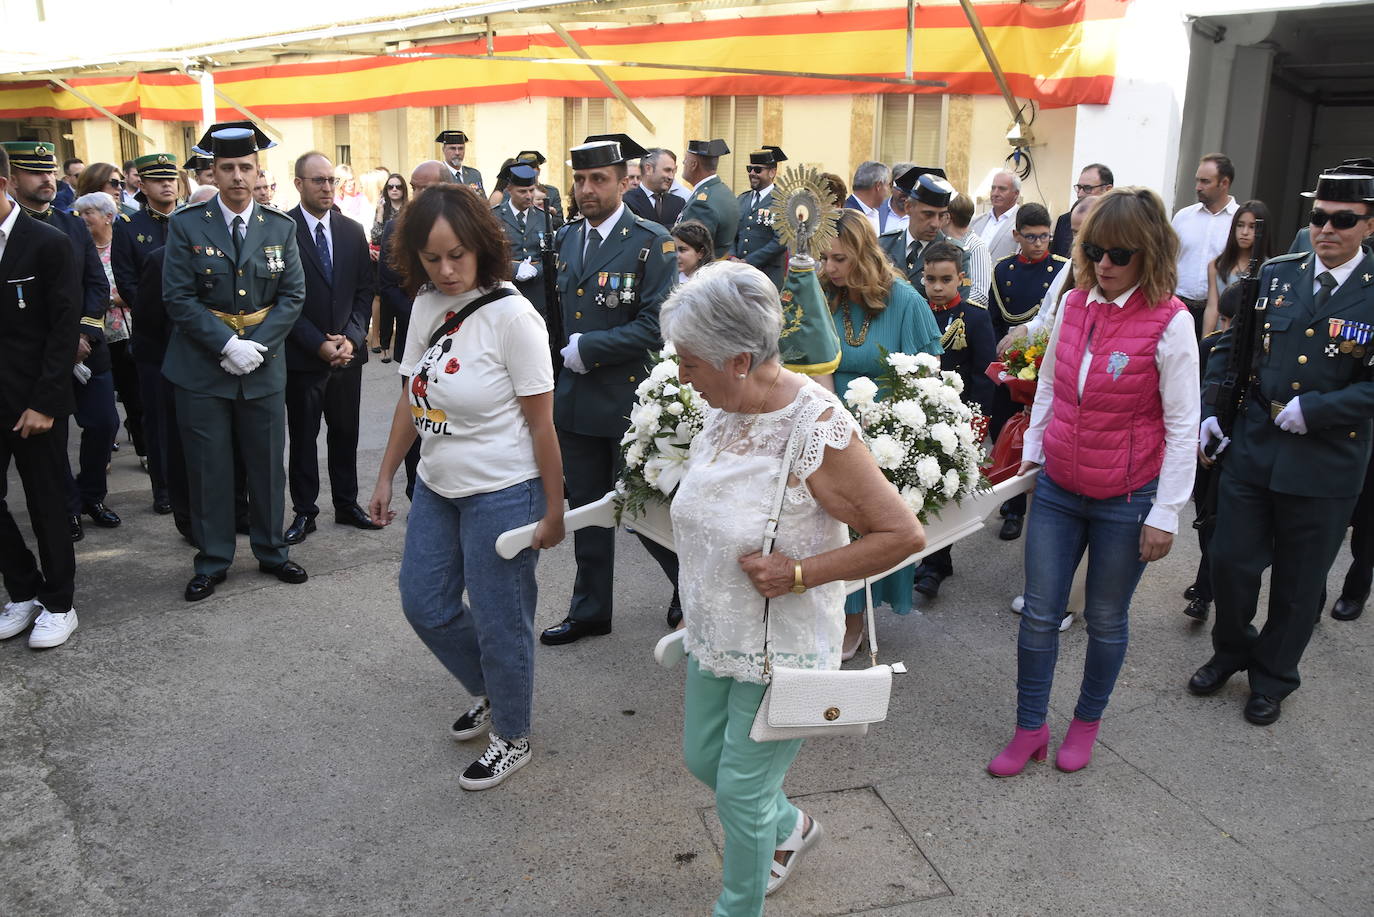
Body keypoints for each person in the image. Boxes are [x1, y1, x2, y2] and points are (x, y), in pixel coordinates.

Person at [662, 260, 924, 916]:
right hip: (717, 632)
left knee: (739, 793)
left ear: (739, 359)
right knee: (704, 760)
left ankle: (737, 905)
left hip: (781, 647)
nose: (681, 375)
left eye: (689, 362)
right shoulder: (725, 407)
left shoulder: (815, 426)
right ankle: (789, 828)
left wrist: (800, 572)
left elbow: (901, 534)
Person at [991, 187, 1199, 777]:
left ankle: (1085, 722)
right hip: (1058, 486)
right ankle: (1029, 728)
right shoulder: (1076, 304)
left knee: (1106, 618)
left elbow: (1184, 425)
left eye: (1120, 254)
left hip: (1128, 497)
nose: (1105, 264)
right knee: (1038, 612)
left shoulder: (1171, 321)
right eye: (1095, 250)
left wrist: (1166, 512)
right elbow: (1052, 389)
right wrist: (1033, 457)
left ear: (1150, 253)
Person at [367, 182, 564, 790]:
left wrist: (554, 511)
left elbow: (542, 424)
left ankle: (512, 732)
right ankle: (493, 685)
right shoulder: (425, 305)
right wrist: (383, 476)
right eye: (432, 258)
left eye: (458, 255)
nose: (447, 270)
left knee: (503, 617)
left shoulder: (514, 318)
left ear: (481, 246)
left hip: (505, 491)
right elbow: (410, 396)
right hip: (436, 484)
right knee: (424, 604)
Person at [1192, 164, 1374, 725]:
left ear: (1369, 225)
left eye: (1343, 220)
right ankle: (1231, 651)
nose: (1327, 229)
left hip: (1326, 462)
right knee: (1230, 564)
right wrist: (1211, 412)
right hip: (1254, 444)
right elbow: (1232, 348)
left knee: (1299, 585)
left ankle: (1272, 678)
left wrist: (1319, 409)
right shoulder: (1277, 273)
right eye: (1319, 216)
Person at [540, 134, 680, 645]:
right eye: (579, 179)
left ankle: (689, 588)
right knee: (588, 515)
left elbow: (657, 323)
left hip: (626, 402)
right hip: (576, 400)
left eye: (598, 179)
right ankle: (591, 609)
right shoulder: (566, 238)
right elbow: (556, 317)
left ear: (626, 181)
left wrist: (592, 347)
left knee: (645, 509)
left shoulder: (651, 241)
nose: (586, 189)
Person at [161, 120, 307, 602]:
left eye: (247, 166)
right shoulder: (186, 225)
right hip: (202, 369)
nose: (239, 176)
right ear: (213, 174)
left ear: (257, 170)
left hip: (263, 365)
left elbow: (292, 294)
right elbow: (178, 298)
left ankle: (272, 551)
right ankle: (213, 559)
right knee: (209, 468)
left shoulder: (279, 226)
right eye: (228, 168)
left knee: (267, 465)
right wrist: (227, 345)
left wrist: (258, 346)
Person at [822, 210, 941, 647]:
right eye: (823, 258)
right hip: (829, 422)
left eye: (838, 259)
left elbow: (927, 376)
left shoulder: (905, 300)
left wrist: (886, 427)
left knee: (865, 526)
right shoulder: (823, 294)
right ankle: (834, 610)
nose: (829, 269)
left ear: (862, 254)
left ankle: (855, 618)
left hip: (886, 430)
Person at [1, 141, 118, 542]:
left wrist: (84, 333)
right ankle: (66, 508)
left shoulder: (71, 224)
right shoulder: (12, 234)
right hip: (40, 359)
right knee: (53, 441)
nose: (47, 179)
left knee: (104, 422)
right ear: (11, 179)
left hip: (88, 349)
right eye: (35, 172)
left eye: (49, 170)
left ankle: (92, 496)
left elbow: (95, 284)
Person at [0, 145, 83, 650]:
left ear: (3, 183)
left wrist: (47, 402)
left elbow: (62, 329)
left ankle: (58, 603)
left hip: (35, 401)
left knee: (47, 504)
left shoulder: (47, 244)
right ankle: (23, 588)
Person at [281, 151, 380, 546]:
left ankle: (346, 502)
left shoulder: (352, 230)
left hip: (347, 355)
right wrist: (317, 344)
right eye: (318, 180)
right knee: (303, 437)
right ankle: (305, 511)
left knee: (345, 432)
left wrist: (352, 339)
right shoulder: (281, 230)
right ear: (299, 184)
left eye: (331, 181)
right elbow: (279, 299)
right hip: (304, 357)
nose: (326, 187)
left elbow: (363, 291)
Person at [910, 240, 996, 600]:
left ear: (961, 278)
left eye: (946, 279)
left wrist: (977, 421)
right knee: (916, 484)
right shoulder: (915, 311)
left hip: (958, 416)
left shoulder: (974, 318)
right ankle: (921, 552)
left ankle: (936, 563)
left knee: (944, 488)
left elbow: (984, 372)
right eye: (930, 279)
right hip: (917, 413)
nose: (938, 286)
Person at [988, 202, 1070, 541]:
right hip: (1007, 364)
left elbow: (1047, 321)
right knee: (1001, 430)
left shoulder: (1062, 269)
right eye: (1031, 237)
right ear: (1017, 236)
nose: (1038, 244)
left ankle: (1017, 509)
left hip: (1037, 364)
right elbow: (996, 320)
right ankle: (1009, 493)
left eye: (1044, 237)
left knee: (1027, 437)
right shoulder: (1002, 269)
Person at [111, 152, 181, 515]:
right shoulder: (129, 225)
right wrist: (163, 312)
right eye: (157, 179)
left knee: (192, 414)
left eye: (171, 178)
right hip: (154, 337)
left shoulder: (192, 222)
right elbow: (126, 281)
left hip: (190, 336)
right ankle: (164, 488)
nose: (166, 184)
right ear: (142, 184)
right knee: (156, 416)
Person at [378, 161, 447, 500]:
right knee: (414, 411)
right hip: (414, 336)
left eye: (426, 188)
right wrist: (424, 316)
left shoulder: (462, 228)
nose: (418, 195)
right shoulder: (395, 229)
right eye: (414, 188)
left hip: (457, 336)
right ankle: (413, 487)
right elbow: (388, 287)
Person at [878, 166, 971, 299]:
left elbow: (957, 308)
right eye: (928, 214)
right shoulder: (883, 245)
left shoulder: (957, 254)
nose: (935, 224)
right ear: (908, 207)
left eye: (942, 216)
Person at [1172, 153, 1239, 338]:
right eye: (1197, 181)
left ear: (1224, 183)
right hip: (1179, 306)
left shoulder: (1240, 221)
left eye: (1205, 181)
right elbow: (1167, 259)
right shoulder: (1183, 217)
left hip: (1219, 313)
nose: (1198, 187)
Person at [1201, 200, 1274, 337]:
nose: (1245, 232)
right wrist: (1205, 344)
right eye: (1240, 225)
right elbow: (1212, 308)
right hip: (1221, 337)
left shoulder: (1270, 269)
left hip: (1249, 341)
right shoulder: (1216, 265)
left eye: (1252, 227)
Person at [493, 162, 548, 320]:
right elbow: (489, 257)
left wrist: (537, 270)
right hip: (506, 294)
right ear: (509, 190)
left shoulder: (543, 218)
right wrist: (516, 269)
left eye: (531, 190)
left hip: (537, 296)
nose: (529, 196)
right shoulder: (494, 217)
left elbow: (552, 258)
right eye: (522, 191)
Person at [728, 146, 787, 290]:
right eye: (750, 169)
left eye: (758, 170)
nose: (752, 173)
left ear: (772, 172)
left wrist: (749, 261)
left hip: (767, 277)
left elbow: (780, 241)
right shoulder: (742, 199)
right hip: (740, 276)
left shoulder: (782, 201)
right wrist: (732, 257)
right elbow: (731, 232)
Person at [676, 138, 739, 259]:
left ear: (694, 165)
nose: (683, 162)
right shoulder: (723, 192)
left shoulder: (702, 203)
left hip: (700, 273)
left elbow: (692, 250)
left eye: (686, 159)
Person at [371, 172, 408, 361]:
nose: (394, 190)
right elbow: (376, 237)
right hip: (384, 263)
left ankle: (399, 347)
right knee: (385, 305)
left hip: (405, 266)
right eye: (390, 187)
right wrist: (378, 213)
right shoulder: (382, 209)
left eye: (398, 186)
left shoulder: (409, 210)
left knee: (403, 310)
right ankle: (383, 344)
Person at [1052, 164, 1114, 259]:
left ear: (1108, 190)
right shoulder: (1064, 221)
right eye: (1079, 187)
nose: (1080, 194)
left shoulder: (1117, 225)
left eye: (1087, 188)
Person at [945, 192, 991, 307]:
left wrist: (946, 304)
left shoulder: (976, 246)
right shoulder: (942, 242)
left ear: (947, 217)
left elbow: (980, 294)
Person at [971, 170, 1022, 262]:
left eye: (1002, 189)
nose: (995, 193)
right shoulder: (976, 222)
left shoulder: (1022, 223)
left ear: (1016, 193)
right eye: (993, 188)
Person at [626, 148, 684, 226]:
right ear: (648, 169)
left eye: (673, 171)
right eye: (667, 170)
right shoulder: (627, 201)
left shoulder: (678, 203)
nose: (671, 177)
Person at [511, 150, 564, 224]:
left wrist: (546, 214)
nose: (527, 171)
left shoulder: (552, 192)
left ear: (538, 170)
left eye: (531, 168)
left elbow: (559, 222)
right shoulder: (510, 193)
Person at [844, 161, 892, 234]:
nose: (889, 190)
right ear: (878, 186)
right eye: (888, 185)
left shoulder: (878, 212)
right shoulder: (847, 216)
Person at [436, 130, 483, 194]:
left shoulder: (474, 175)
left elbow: (482, 200)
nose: (457, 153)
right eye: (452, 148)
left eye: (461, 148)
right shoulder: (437, 175)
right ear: (444, 150)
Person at [673, 220, 713, 286]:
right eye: (673, 250)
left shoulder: (709, 283)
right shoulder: (671, 278)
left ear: (701, 253)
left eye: (682, 250)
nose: (676, 255)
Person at [881, 162, 915, 236]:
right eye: (900, 185)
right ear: (891, 186)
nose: (905, 191)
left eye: (909, 186)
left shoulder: (920, 215)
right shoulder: (876, 212)